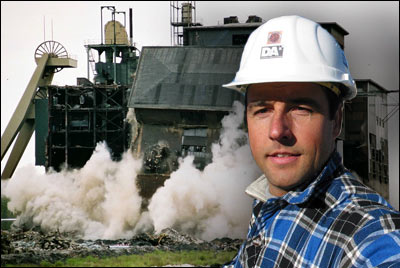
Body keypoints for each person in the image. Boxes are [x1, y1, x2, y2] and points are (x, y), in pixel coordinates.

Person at [222, 15, 400, 268]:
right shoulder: (270, 204)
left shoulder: (366, 232)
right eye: (262, 110)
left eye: (300, 108)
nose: (277, 130)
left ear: (336, 120)